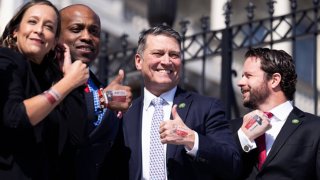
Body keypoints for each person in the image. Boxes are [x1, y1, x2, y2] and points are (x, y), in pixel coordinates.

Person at [122, 24, 241, 180]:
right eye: (158, 53)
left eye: (174, 55)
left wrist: (191, 139)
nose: (166, 61)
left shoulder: (206, 108)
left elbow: (233, 163)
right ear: (139, 61)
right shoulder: (126, 114)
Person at [0, 1, 89, 179]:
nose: (39, 30)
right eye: (32, 22)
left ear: (55, 41)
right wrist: (67, 83)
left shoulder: (54, 78)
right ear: (15, 31)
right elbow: (14, 117)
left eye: (48, 26)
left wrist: (66, 76)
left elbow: (77, 138)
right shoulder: (6, 62)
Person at [58, 4, 132, 180]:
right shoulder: (41, 76)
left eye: (94, 32)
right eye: (76, 29)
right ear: (56, 35)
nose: (87, 37)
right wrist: (101, 99)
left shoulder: (101, 86)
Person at [230, 47, 320, 179]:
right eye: (242, 76)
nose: (240, 82)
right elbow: (215, 169)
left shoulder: (315, 128)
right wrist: (243, 137)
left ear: (274, 80)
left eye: (248, 76)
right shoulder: (232, 128)